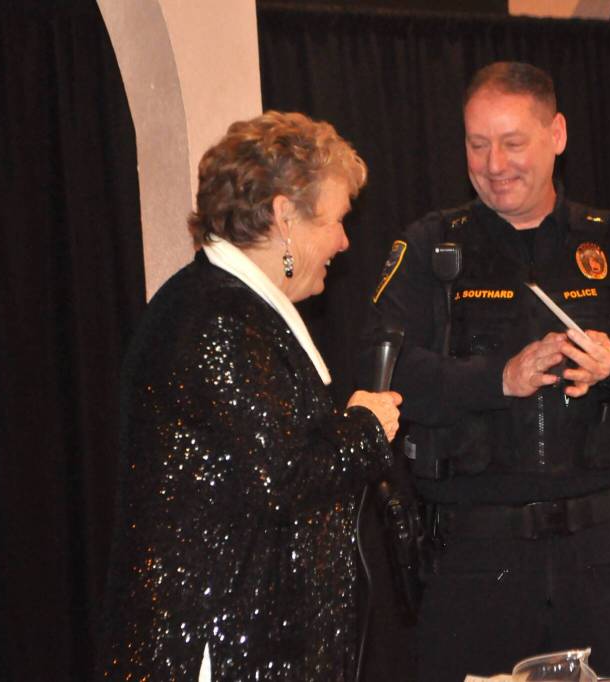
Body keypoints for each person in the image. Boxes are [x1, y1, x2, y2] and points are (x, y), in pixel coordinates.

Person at [364, 62, 610, 681]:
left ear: (557, 135)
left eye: (512, 142)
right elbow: (382, 373)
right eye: (477, 144)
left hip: (607, 552)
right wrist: (497, 379)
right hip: (476, 558)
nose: (494, 164)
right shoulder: (432, 247)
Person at [98, 111, 401, 681]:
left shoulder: (233, 308)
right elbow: (282, 477)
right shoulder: (218, 319)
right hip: (216, 650)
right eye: (336, 220)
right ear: (285, 216)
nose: (344, 241)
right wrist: (365, 425)